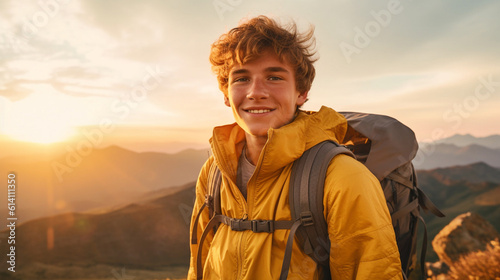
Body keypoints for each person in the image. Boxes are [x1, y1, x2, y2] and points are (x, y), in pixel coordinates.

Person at [188, 15, 403, 279]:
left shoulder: (341, 177)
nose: (256, 92)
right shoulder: (214, 172)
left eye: (274, 78)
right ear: (226, 94)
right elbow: (200, 262)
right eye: (241, 79)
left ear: (301, 92)